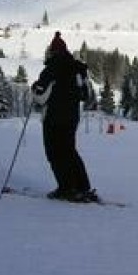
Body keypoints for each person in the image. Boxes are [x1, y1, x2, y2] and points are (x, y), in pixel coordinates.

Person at [32, 31, 96, 202]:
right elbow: (85, 95)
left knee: (55, 153)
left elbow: (40, 97)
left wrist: (34, 88)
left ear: (52, 51)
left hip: (53, 119)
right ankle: (82, 186)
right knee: (70, 151)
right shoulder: (77, 69)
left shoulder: (50, 70)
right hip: (72, 118)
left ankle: (66, 188)